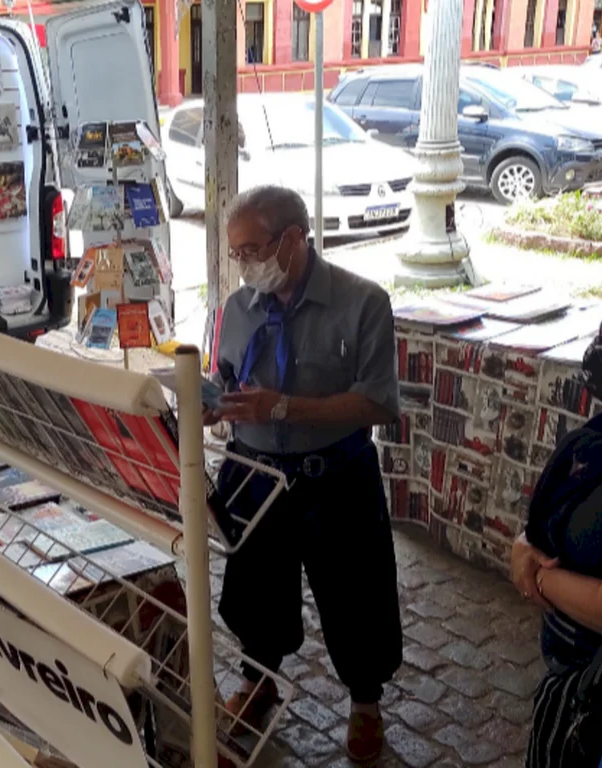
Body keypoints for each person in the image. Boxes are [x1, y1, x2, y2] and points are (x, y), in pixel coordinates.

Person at [205, 185, 403, 763]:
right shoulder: (236, 311)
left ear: (293, 239)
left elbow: (378, 403)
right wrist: (211, 405)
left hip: (336, 474)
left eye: (252, 250)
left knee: (356, 595)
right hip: (255, 472)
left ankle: (366, 701)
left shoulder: (362, 302)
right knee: (253, 592)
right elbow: (227, 381)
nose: (243, 265)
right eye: (235, 253)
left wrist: (286, 407)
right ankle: (257, 678)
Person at [511, 282, 602, 768]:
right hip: (575, 670)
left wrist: (540, 577)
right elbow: (561, 508)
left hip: (601, 691)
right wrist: (524, 542)